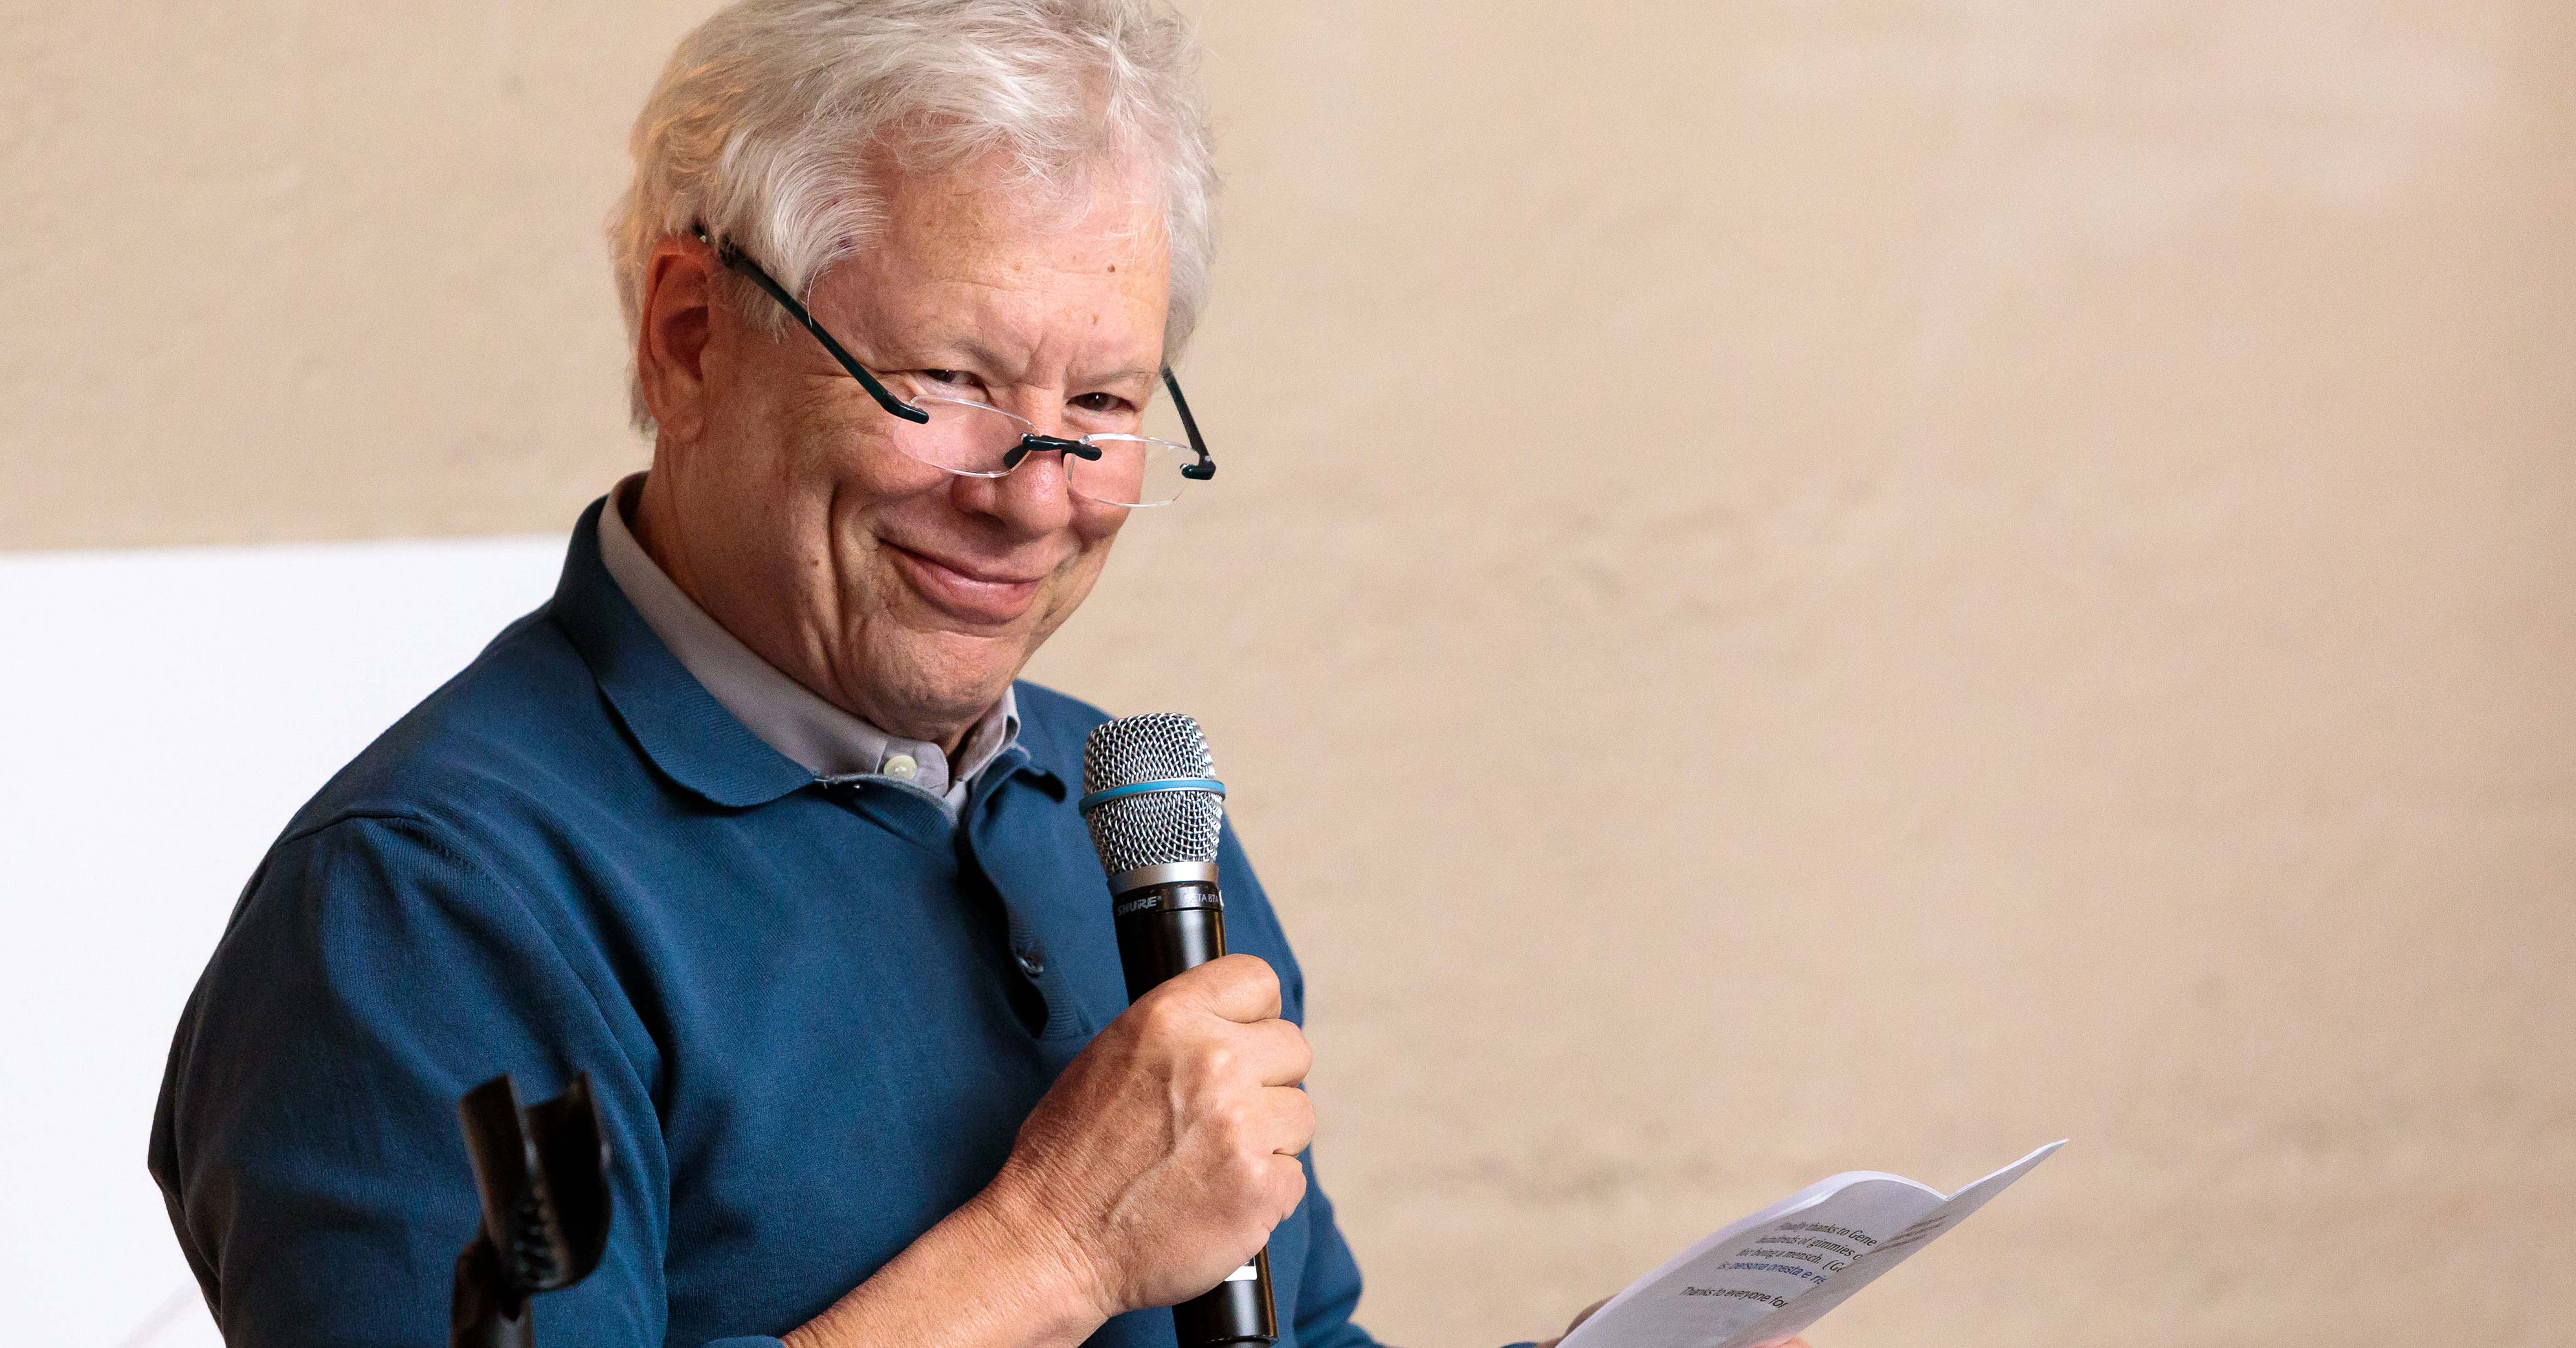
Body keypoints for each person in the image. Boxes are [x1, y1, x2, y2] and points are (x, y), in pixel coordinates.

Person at [155, 5, 1765, 1348]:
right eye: (950, 378)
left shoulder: (1124, 816)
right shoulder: (425, 911)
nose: (1033, 489)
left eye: (1107, 403)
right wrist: (1054, 1247)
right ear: (691, 334)